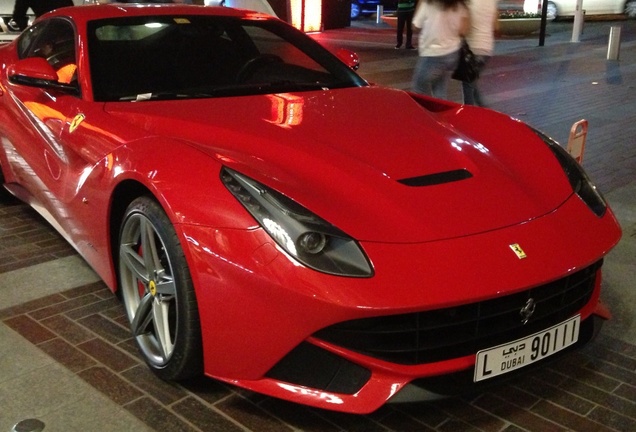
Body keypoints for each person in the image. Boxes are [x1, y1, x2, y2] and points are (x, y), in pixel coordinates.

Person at [410, 0, 469, 99]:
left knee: (418, 90)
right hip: (452, 53)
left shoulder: (428, 4)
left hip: (433, 54)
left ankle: (427, 113)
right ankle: (439, 113)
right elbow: (463, 31)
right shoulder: (459, 5)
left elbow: (415, 26)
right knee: (440, 91)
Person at [461, 0, 498, 106]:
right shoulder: (492, 2)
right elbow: (496, 26)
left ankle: (469, 113)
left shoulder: (469, 2)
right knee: (472, 83)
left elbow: (464, 28)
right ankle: (483, 110)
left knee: (468, 84)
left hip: (473, 48)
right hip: (487, 48)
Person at [7, 0, 74, 32]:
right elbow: (70, 8)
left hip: (46, 29)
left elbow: (18, 15)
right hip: (67, 26)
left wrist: (27, 33)